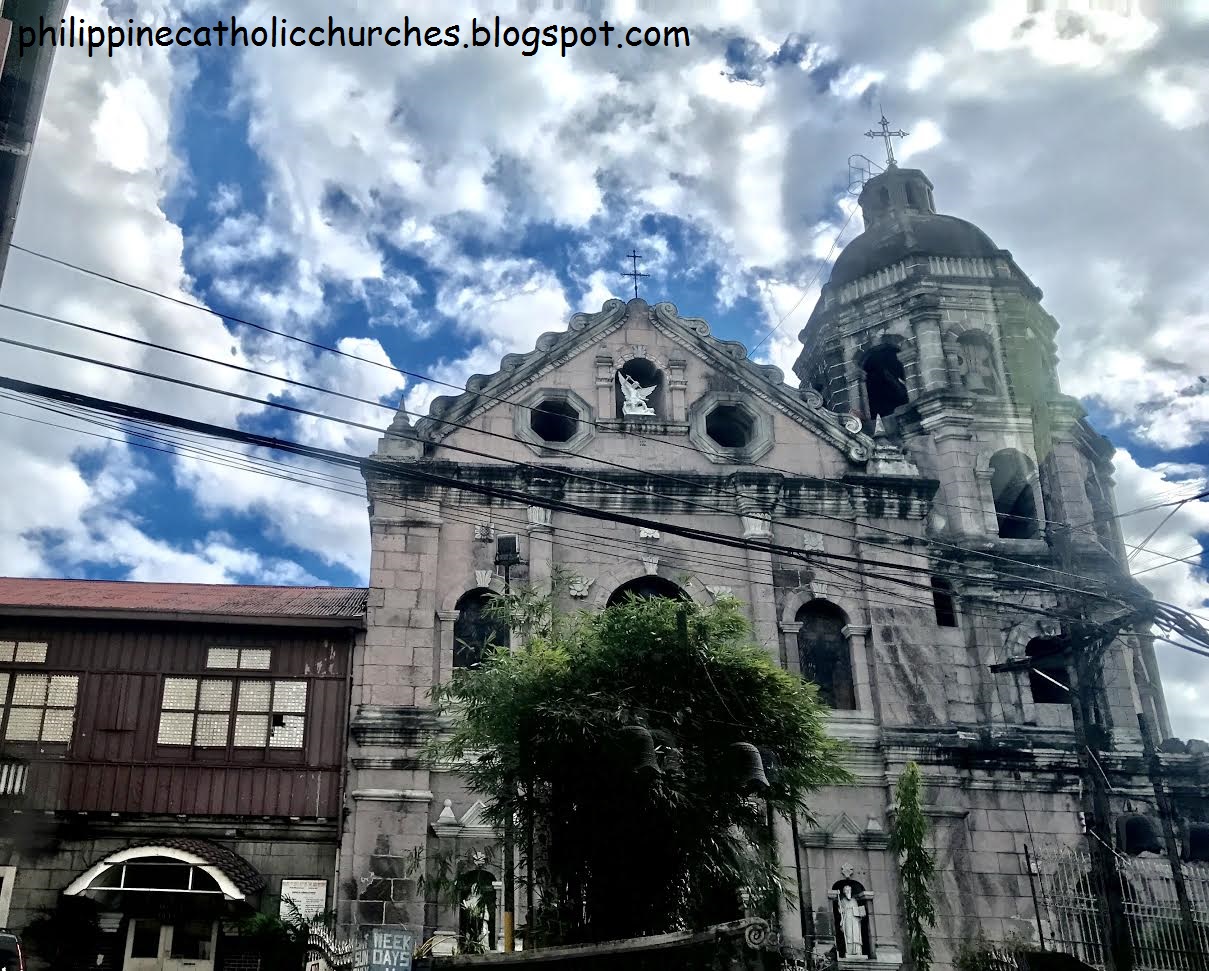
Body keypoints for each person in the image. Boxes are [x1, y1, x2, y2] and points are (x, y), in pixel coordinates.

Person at [838, 884, 865, 957]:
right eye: (846, 890)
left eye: (849, 890)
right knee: (849, 934)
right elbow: (840, 911)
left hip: (855, 919)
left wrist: (860, 912)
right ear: (844, 892)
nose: (848, 892)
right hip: (847, 918)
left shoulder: (854, 900)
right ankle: (849, 951)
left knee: (856, 934)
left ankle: (858, 951)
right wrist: (841, 909)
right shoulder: (842, 901)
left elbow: (857, 910)